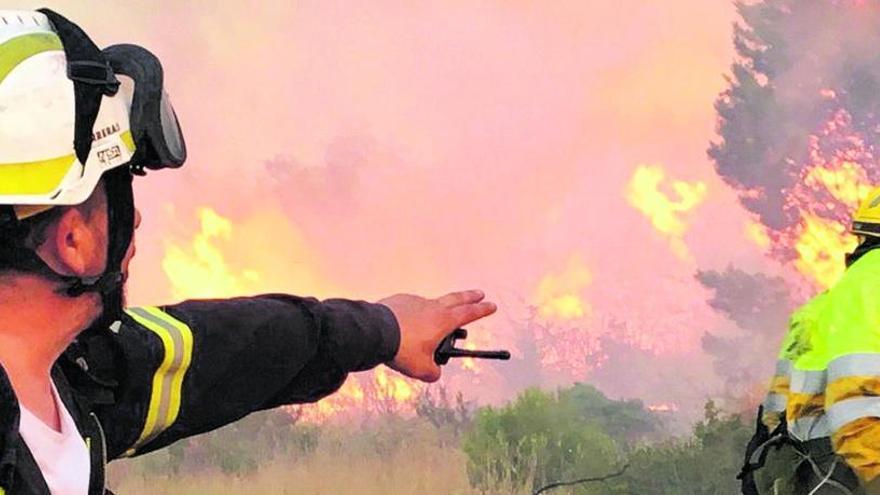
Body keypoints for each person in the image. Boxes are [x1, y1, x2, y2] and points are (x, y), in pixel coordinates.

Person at [0, 9, 497, 495]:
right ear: (74, 241)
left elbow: (227, 349)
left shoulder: (73, 376)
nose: (137, 219)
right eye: (120, 188)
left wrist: (384, 329)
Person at [740, 186, 880, 494]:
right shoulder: (873, 284)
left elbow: (775, 413)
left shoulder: (824, 304)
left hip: (809, 470)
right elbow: (856, 402)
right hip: (851, 469)